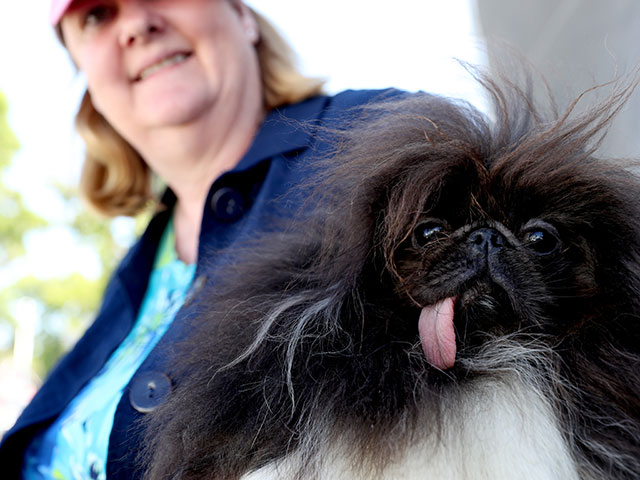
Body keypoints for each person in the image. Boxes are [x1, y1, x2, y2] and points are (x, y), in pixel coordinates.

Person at [0, 0, 395, 478]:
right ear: (86, 77)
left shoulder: (375, 137)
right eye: (96, 15)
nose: (137, 24)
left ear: (243, 15)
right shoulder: (133, 275)